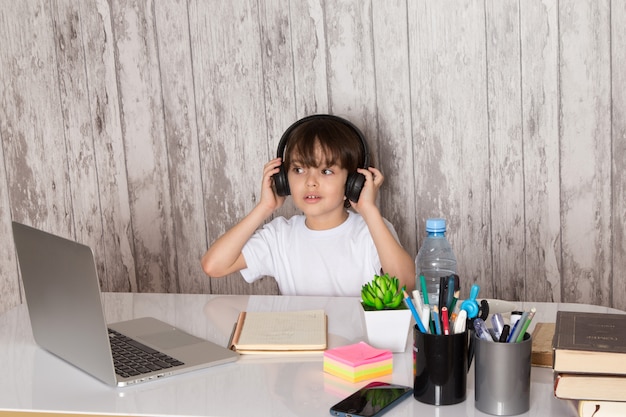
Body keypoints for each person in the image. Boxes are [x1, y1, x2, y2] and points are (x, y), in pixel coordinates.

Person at [201, 114, 415, 296]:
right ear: (283, 179)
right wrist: (264, 207)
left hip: (357, 343)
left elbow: (406, 285)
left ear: (354, 183)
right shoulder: (279, 236)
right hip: (302, 343)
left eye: (327, 171)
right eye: (299, 170)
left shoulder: (372, 231)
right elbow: (214, 266)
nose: (310, 182)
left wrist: (369, 211)